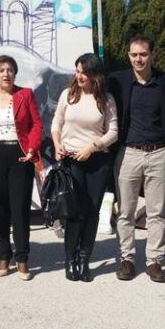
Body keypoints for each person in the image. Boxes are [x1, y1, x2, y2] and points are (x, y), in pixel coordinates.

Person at [108, 35, 165, 283]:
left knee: (157, 212)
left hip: (159, 153)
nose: (138, 59)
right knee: (125, 211)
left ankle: (155, 261)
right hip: (129, 153)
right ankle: (126, 259)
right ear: (128, 56)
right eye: (134, 54)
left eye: (143, 54)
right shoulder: (117, 81)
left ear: (152, 55)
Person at [51, 53, 118, 282]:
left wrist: (93, 146)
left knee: (91, 212)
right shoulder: (67, 95)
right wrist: (58, 144)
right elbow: (56, 124)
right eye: (77, 70)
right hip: (71, 160)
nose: (79, 76)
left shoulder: (105, 99)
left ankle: (84, 259)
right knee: (74, 213)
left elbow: (113, 131)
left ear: (94, 74)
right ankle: (70, 260)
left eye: (84, 72)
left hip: (97, 161)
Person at [0, 55, 43, 281]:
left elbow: (36, 123)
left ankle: (22, 257)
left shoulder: (25, 94)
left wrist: (32, 148)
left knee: (20, 208)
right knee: (0, 208)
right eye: (1, 70)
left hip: (20, 155)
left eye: (10, 70)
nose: (6, 74)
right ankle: (4, 254)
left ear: (15, 73)